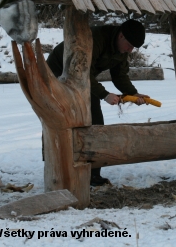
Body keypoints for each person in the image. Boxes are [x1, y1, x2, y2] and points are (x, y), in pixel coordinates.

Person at [46, 19, 150, 186]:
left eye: (133, 48)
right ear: (121, 35)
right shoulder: (96, 39)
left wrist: (133, 94)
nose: (130, 50)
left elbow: (119, 75)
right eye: (129, 45)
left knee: (95, 123)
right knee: (62, 121)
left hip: (83, 79)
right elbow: (82, 72)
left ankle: (93, 174)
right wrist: (104, 94)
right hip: (57, 74)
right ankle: (58, 168)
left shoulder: (121, 49)